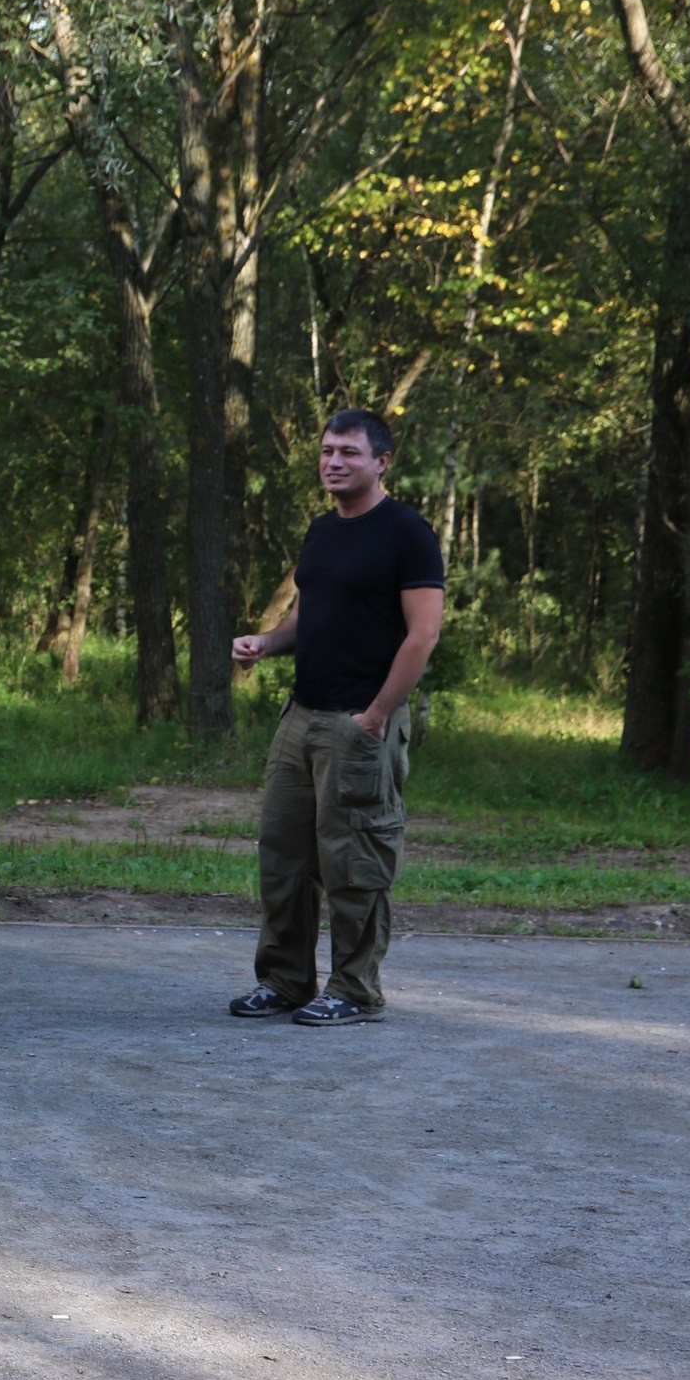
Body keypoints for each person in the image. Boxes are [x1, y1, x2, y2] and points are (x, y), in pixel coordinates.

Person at [229, 408, 444, 1027]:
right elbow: (313, 615)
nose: (333, 462)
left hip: (359, 722)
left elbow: (422, 635)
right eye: (326, 451)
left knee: (354, 862)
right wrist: (266, 642)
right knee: (284, 858)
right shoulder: (323, 531)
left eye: (349, 452)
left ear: (382, 461)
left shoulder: (406, 532)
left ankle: (355, 989)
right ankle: (286, 980)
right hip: (301, 717)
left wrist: (377, 715)